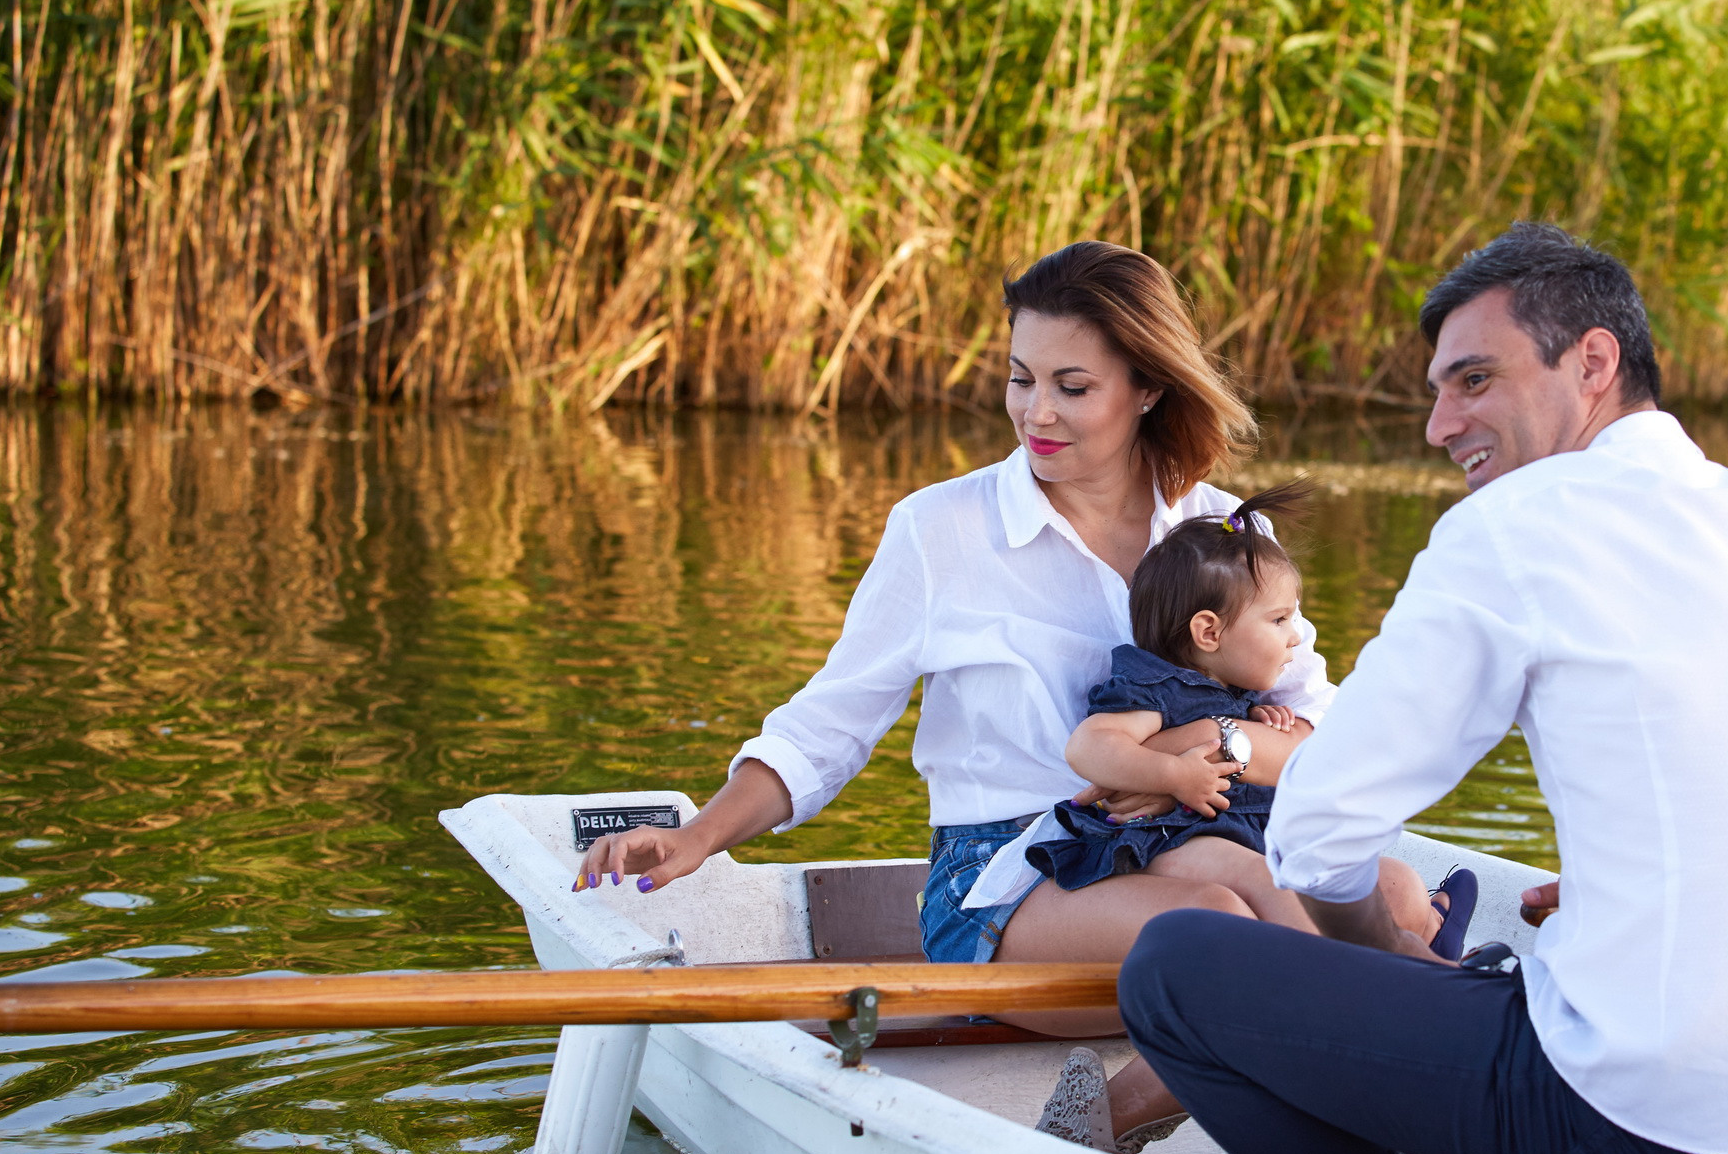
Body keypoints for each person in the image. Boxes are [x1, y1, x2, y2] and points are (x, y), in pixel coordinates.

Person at [1116, 222, 1728, 1154]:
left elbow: (1314, 833)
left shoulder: (1514, 527)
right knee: (1517, 980)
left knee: (1174, 967)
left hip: (1658, 1131)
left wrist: (1385, 953)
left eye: (1473, 380)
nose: (1438, 423)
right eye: (1438, 388)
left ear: (1592, 361)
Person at [572, 242, 1342, 1084]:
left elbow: (1319, 738)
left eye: (1071, 387)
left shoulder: (1228, 533)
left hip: (1198, 834)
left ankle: (1353, 1061)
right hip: (1008, 877)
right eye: (1021, 378)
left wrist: (1195, 751)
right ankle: (1173, 1103)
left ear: (1148, 387)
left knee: (1381, 895)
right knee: (1218, 922)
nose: (1036, 412)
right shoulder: (939, 531)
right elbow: (830, 726)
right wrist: (698, 836)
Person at [982, 482, 1472, 1154]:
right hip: (1167, 841)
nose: (1296, 634)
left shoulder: (1249, 694)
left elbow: (1324, 753)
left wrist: (1253, 723)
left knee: (1353, 878)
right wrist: (1173, 773)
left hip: (1220, 833)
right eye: (1279, 621)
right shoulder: (1152, 685)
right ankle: (1400, 990)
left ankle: (1396, 984)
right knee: (1265, 884)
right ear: (1209, 631)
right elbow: (1089, 748)